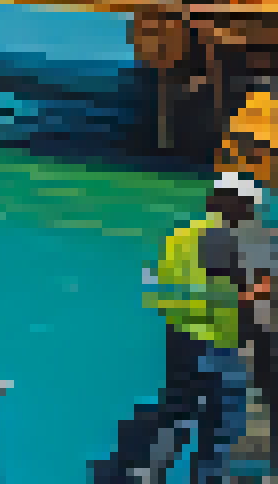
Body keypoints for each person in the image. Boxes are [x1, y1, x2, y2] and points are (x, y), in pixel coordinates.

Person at [96, 173, 268, 484]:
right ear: (234, 203)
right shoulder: (220, 236)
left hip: (179, 335)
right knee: (224, 419)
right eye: (248, 206)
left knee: (176, 408)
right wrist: (261, 296)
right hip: (213, 340)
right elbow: (237, 294)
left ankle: (120, 465)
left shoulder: (182, 234)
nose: (250, 214)